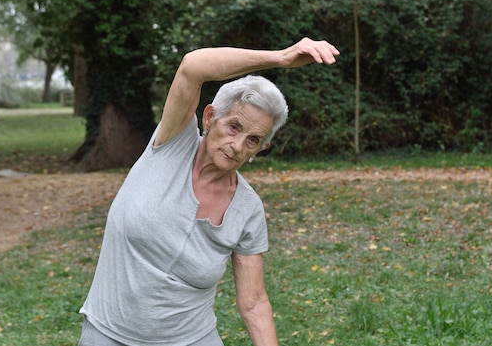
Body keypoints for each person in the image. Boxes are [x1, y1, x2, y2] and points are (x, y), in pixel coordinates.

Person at [78, 37, 340, 346]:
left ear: (261, 148)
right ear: (209, 117)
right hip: (109, 336)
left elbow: (253, 302)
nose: (238, 146)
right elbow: (192, 67)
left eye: (253, 140)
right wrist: (280, 58)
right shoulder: (172, 144)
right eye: (234, 127)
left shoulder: (247, 209)